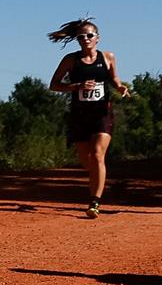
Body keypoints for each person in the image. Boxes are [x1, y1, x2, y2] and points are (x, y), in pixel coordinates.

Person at [48, 19, 129, 218]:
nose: (85, 39)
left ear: (97, 38)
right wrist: (76, 87)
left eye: (89, 35)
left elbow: (114, 78)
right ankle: (99, 181)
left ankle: (94, 202)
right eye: (81, 36)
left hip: (102, 113)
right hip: (79, 114)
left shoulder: (108, 56)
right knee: (87, 161)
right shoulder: (70, 60)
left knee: (98, 154)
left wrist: (120, 87)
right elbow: (54, 85)